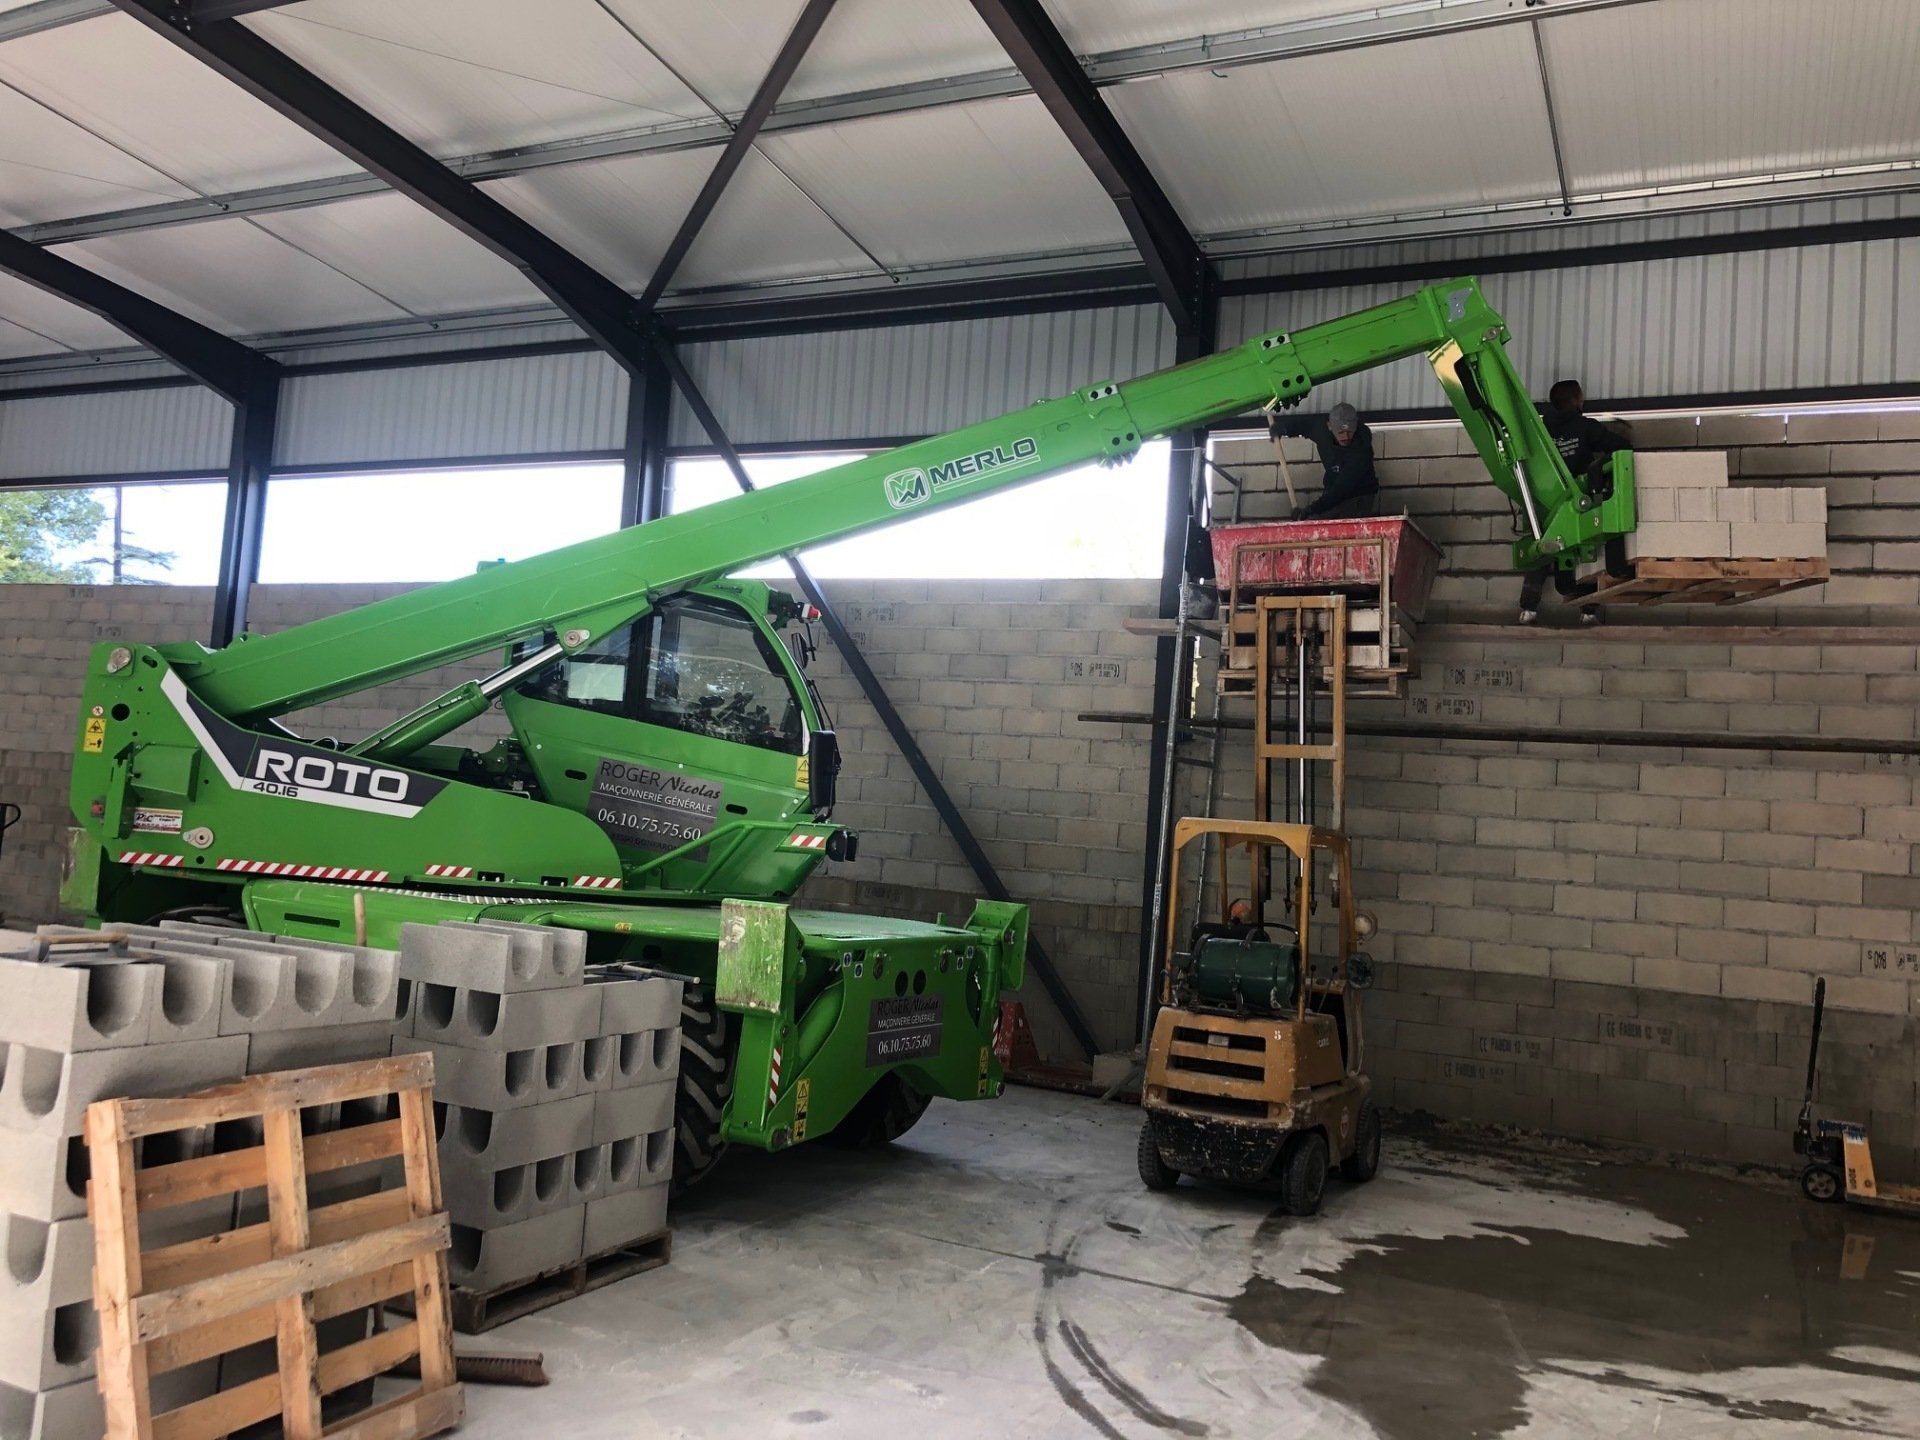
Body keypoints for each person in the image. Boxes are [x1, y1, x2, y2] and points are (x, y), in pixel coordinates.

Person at [1518, 380, 1631, 624]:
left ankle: (1528, 610)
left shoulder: (1538, 431)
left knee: (1540, 554)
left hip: (1541, 504)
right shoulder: (1586, 427)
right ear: (1577, 400)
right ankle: (1588, 612)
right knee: (1587, 553)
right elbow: (1621, 448)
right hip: (1578, 502)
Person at [1267, 402, 1378, 520]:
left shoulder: (1361, 449)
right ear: (1330, 426)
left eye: (1350, 432)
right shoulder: (1321, 429)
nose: (1346, 437)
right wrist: (1283, 428)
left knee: (1337, 522)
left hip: (1358, 496)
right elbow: (1303, 425)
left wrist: (1310, 510)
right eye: (1340, 432)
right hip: (1333, 488)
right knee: (1316, 519)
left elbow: (1341, 490)